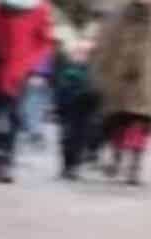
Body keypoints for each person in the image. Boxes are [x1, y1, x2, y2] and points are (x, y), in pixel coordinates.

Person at [92, 0, 151, 185]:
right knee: (125, 120)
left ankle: (130, 165)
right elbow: (106, 47)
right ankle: (125, 161)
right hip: (130, 79)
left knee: (134, 122)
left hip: (140, 79)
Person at [0, 0, 57, 181]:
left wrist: (38, 71)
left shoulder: (40, 10)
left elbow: (45, 43)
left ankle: (6, 160)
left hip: (22, 72)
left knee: (14, 116)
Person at [54, 33, 103, 177]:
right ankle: (67, 166)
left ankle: (73, 165)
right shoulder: (68, 68)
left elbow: (98, 91)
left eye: (87, 53)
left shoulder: (94, 70)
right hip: (69, 108)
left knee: (81, 137)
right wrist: (58, 107)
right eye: (80, 52)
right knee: (67, 137)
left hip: (85, 107)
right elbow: (60, 89)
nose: (82, 55)